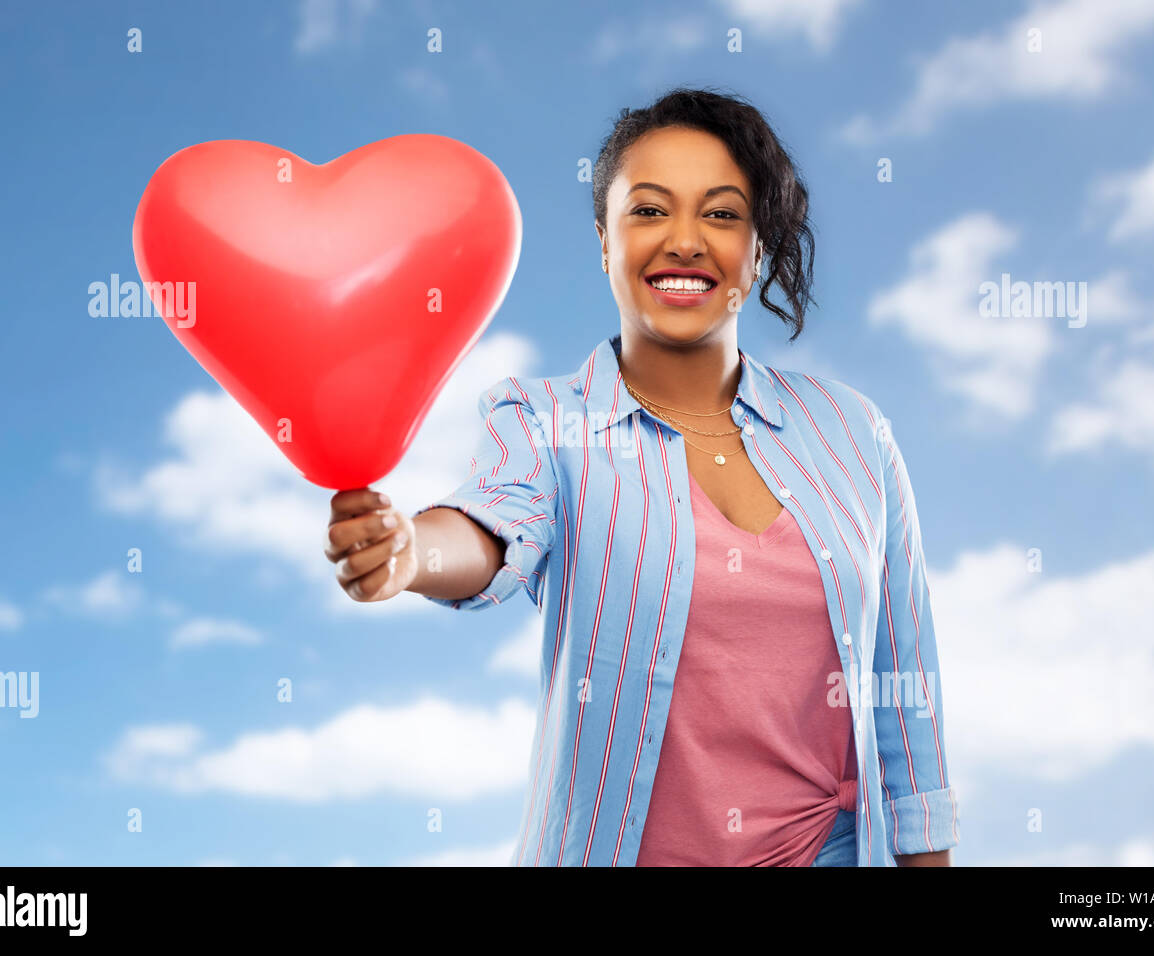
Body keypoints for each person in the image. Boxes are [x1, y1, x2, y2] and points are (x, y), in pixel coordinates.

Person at [324, 87, 960, 867]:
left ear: (759, 248)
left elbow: (907, 686)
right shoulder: (544, 420)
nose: (685, 241)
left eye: (722, 214)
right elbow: (492, 528)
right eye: (650, 210)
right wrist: (408, 553)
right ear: (603, 239)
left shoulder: (853, 430)